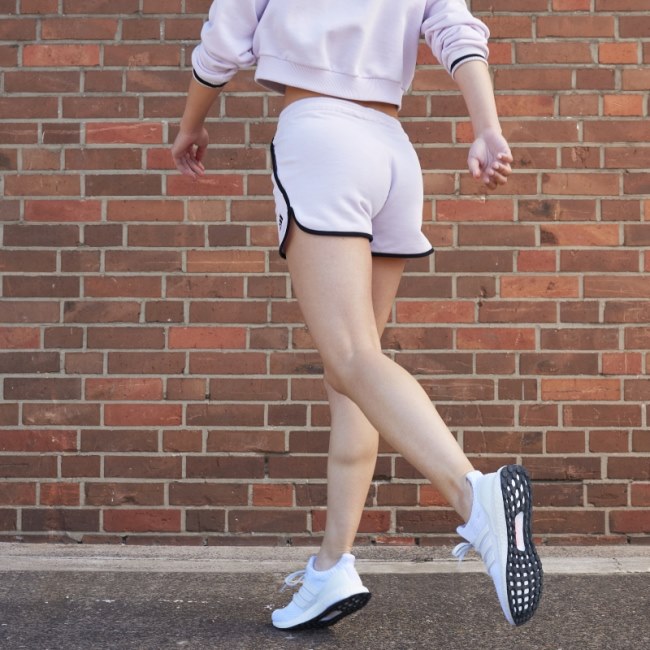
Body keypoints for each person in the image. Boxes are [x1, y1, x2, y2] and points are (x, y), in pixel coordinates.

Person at [171, 0, 543, 632]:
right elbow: (456, 31)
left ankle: (473, 497)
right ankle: (330, 568)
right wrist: (487, 127)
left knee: (352, 359)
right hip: (393, 152)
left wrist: (189, 124)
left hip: (319, 135)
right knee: (352, 379)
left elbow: (223, 45)